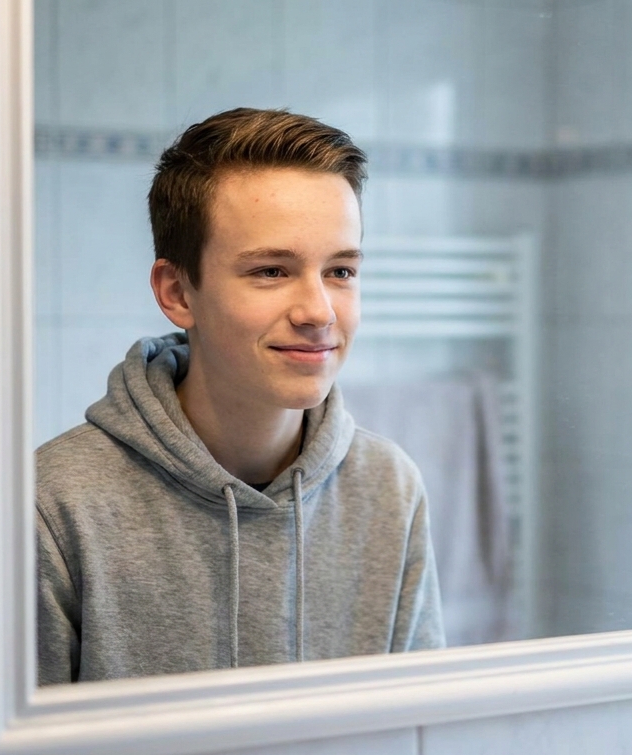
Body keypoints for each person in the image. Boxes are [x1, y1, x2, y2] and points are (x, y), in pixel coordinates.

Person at [35, 108, 445, 685]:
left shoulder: (389, 488)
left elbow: (415, 731)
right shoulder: (54, 507)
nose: (319, 312)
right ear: (177, 292)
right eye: (272, 271)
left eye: (341, 272)